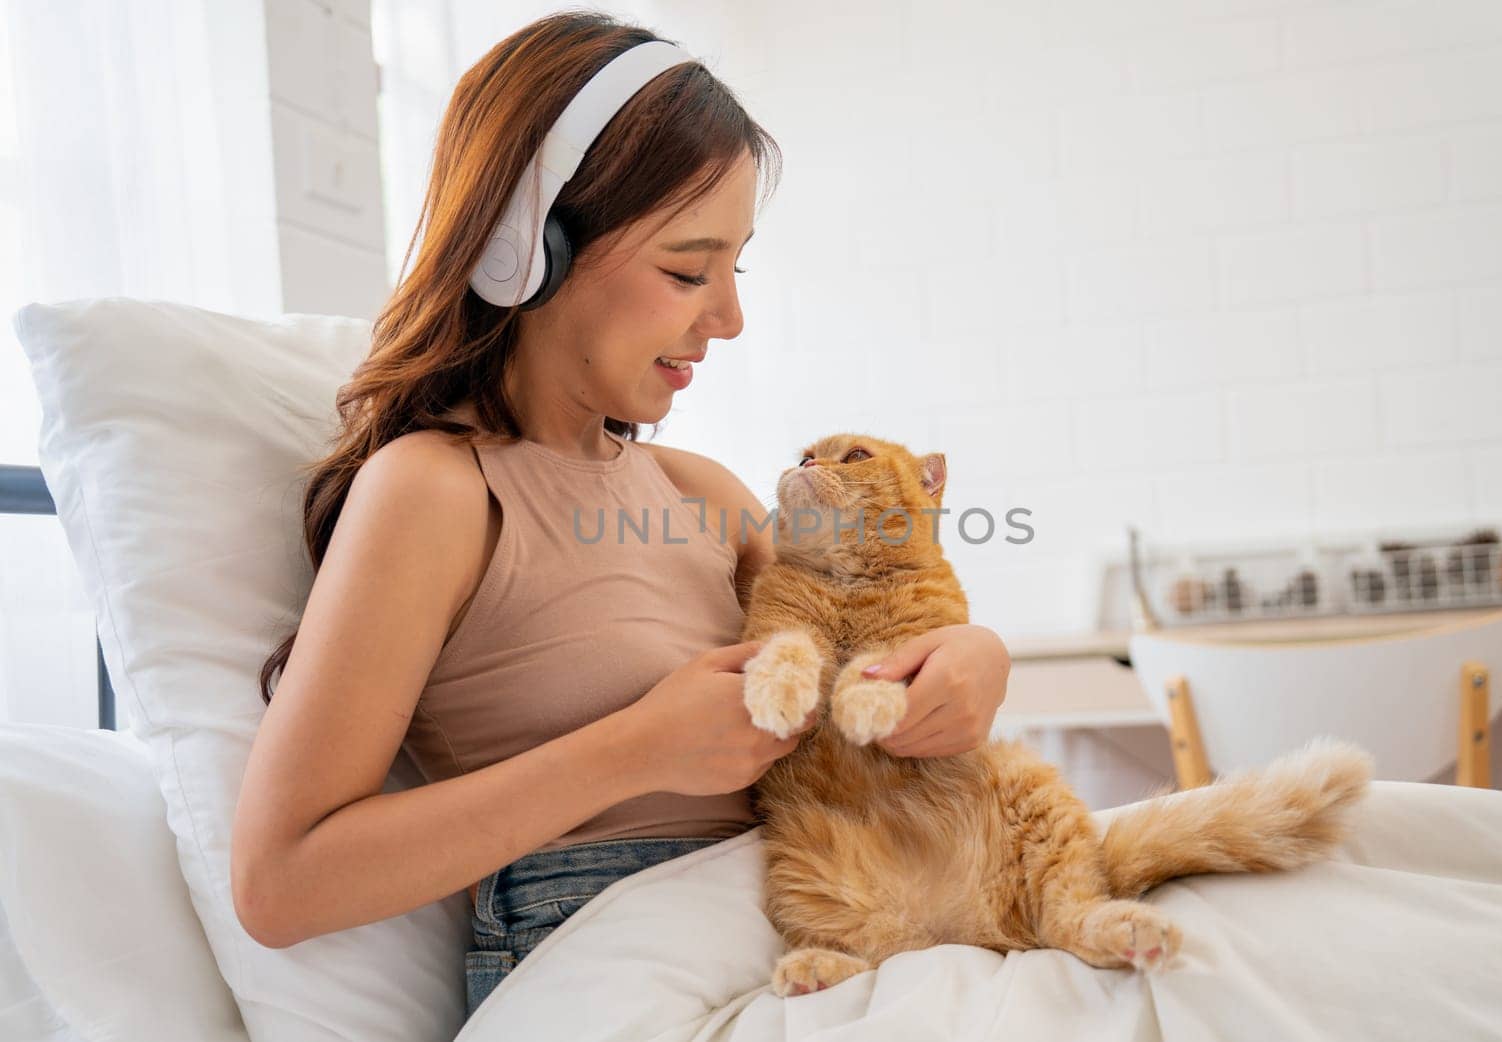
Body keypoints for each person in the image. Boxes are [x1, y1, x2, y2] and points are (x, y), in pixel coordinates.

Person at [229, 10, 1012, 1019]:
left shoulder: (705, 493)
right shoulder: (435, 491)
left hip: (820, 924)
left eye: (736, 270)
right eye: (688, 271)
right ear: (526, 248)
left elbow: (882, 627)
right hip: (626, 972)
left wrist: (971, 657)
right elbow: (281, 880)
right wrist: (634, 749)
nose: (727, 318)